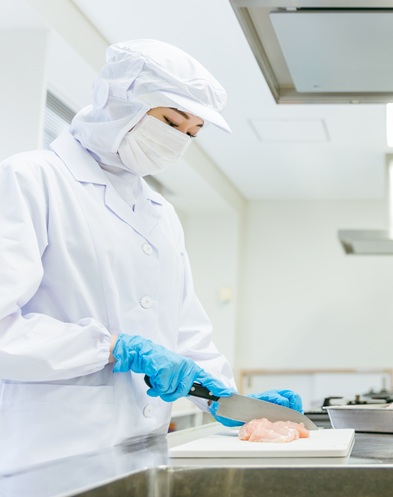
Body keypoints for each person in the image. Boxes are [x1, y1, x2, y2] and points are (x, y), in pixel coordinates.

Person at [0, 39, 301, 473]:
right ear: (120, 100)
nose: (178, 141)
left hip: (142, 452)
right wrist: (111, 348)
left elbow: (186, 331)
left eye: (192, 133)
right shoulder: (30, 179)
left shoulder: (160, 213)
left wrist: (225, 395)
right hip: (47, 454)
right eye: (171, 121)